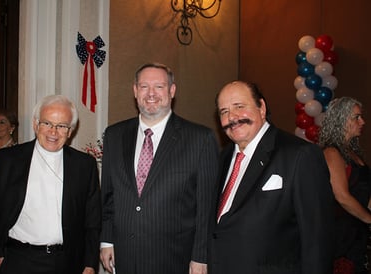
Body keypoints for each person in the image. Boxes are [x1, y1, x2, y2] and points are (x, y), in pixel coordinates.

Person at [99, 63, 219, 274]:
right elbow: (109, 195)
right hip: (125, 257)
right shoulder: (114, 135)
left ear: (172, 91)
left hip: (174, 259)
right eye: (144, 86)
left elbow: (206, 207)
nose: (151, 93)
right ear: (135, 91)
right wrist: (107, 240)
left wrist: (200, 256)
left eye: (159, 87)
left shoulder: (200, 139)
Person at [208, 81, 335, 274]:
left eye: (239, 107)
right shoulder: (223, 158)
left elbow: (317, 240)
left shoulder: (300, 155)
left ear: (261, 108)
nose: (231, 117)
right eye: (223, 111)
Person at [0, 95, 101, 274]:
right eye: (47, 123)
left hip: (67, 263)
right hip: (17, 260)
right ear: (35, 124)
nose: (53, 132)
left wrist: (90, 264)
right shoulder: (8, 160)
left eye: (61, 126)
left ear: (70, 131)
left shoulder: (84, 165)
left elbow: (92, 220)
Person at [318, 97, 371, 274]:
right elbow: (342, 196)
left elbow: (364, 193)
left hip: (358, 232)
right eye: (357, 117)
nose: (362, 121)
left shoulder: (353, 153)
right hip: (342, 236)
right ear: (341, 120)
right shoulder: (332, 152)